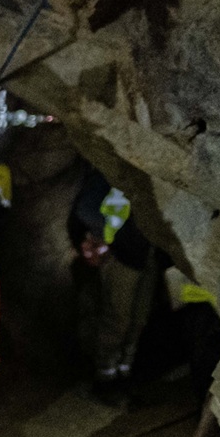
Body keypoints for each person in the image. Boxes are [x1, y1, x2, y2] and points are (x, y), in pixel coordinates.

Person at [67, 168, 159, 398]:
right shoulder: (109, 174)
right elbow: (85, 210)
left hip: (147, 253)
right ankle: (105, 378)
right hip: (123, 256)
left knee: (139, 318)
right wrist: (109, 237)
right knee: (118, 318)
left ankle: (124, 373)